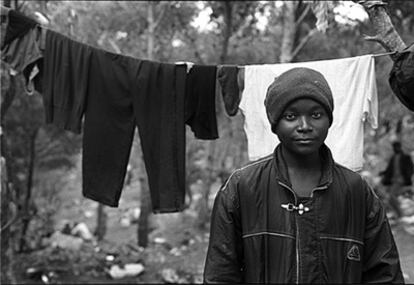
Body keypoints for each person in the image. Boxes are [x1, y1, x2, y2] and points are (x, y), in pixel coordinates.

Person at [203, 67, 404, 283]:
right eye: (291, 116)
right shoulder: (242, 188)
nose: (305, 126)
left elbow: (385, 275)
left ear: (329, 120)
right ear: (275, 123)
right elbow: (220, 274)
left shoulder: (356, 190)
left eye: (316, 115)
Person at [380, 141, 414, 218]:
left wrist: (408, 177)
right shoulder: (393, 158)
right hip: (394, 180)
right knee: (391, 198)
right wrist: (383, 173)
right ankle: (399, 214)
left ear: (399, 147)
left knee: (391, 196)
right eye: (394, 147)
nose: (395, 148)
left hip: (402, 180)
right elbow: (389, 169)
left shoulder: (406, 157)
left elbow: (411, 168)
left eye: (397, 147)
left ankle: (401, 214)